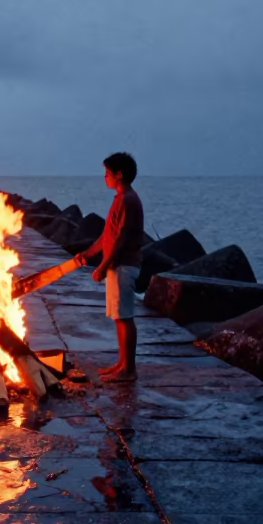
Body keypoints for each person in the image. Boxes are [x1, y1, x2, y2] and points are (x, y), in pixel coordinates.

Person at [76, 151, 144, 380]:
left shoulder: (127, 200)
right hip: (118, 265)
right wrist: (89, 253)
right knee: (118, 316)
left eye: (107, 173)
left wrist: (103, 266)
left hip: (123, 265)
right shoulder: (120, 199)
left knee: (124, 317)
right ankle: (122, 364)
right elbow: (108, 235)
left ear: (119, 174)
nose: (104, 177)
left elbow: (121, 239)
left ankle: (129, 370)